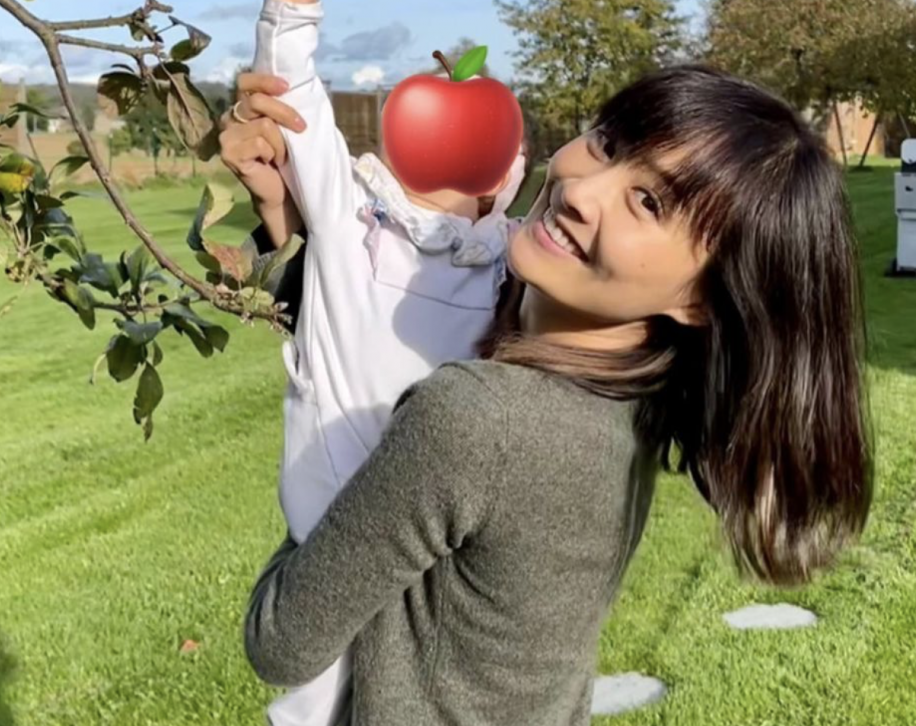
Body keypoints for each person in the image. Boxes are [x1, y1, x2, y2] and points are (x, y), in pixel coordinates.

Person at [238, 61, 873, 726]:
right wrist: (288, 223)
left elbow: (282, 640)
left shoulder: (479, 421)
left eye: (650, 201)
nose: (581, 189)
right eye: (607, 141)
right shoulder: (631, 400)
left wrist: (334, 407)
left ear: (701, 299)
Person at [219, 0, 530, 726]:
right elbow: (296, 118)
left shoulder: (378, 226)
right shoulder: (498, 259)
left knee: (341, 681)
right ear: (504, 172)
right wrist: (287, 15)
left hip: (360, 514)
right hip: (390, 531)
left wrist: (289, 17)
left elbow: (303, 114)